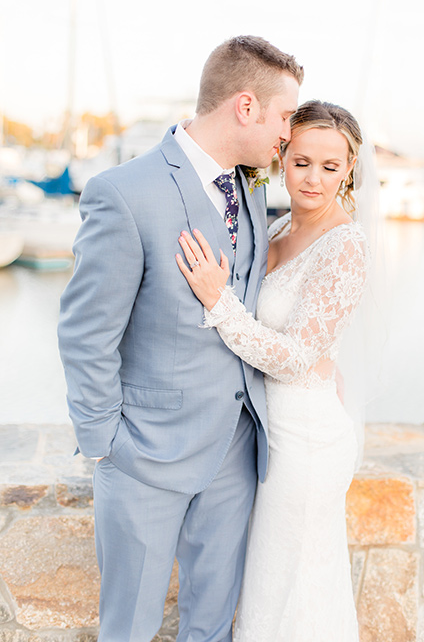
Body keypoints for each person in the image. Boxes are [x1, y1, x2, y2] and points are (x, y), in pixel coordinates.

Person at [57, 35, 303, 642]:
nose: (289, 134)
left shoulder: (250, 188)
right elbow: (86, 333)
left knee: (212, 626)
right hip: (145, 457)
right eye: (285, 116)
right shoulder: (124, 192)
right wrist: (105, 443)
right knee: (130, 630)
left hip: (237, 453)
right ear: (245, 107)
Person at [177, 100, 370, 642]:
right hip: (270, 432)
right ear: (281, 156)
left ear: (349, 170)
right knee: (270, 580)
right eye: (302, 161)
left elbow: (295, 357)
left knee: (291, 585)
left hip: (306, 440)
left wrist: (220, 304)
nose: (313, 178)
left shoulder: (346, 247)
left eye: (330, 167)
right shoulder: (281, 225)